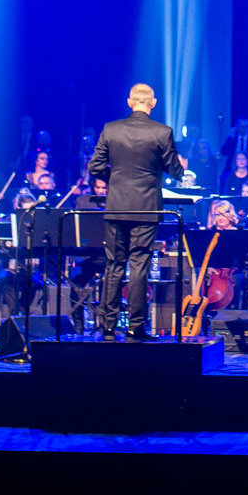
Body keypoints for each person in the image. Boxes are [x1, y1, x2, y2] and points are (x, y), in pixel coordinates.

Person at [90, 82, 187, 340]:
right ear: (153, 103)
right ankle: (135, 326)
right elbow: (176, 171)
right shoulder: (162, 132)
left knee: (114, 265)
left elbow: (95, 167)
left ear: (129, 102)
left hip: (117, 206)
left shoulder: (111, 129)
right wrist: (179, 163)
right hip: (146, 207)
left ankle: (108, 326)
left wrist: (116, 179)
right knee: (139, 265)